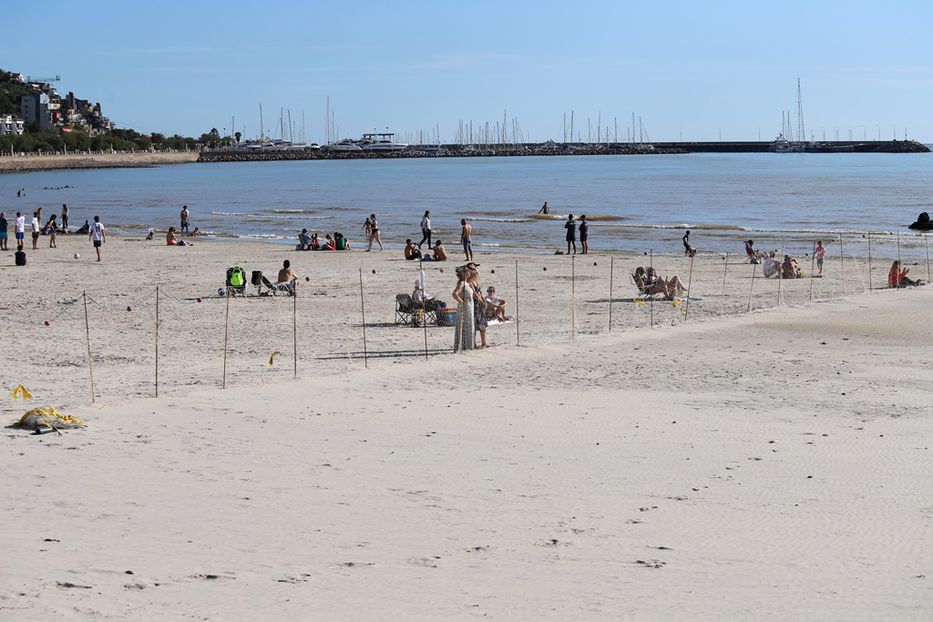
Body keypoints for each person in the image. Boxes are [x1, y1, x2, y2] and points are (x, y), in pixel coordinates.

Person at [452, 265, 476, 352]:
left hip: (470, 306)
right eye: (467, 271)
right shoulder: (462, 283)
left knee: (469, 326)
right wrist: (462, 302)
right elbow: (454, 294)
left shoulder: (468, 283)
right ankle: (463, 346)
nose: (469, 272)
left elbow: (476, 274)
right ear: (463, 273)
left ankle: (468, 345)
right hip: (464, 308)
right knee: (464, 325)